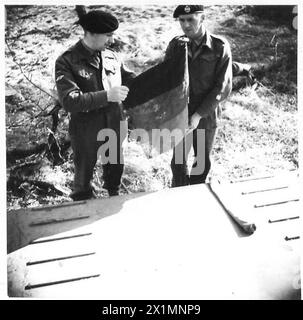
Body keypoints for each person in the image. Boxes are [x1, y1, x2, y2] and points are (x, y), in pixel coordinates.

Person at [55, 10, 135, 200]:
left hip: (115, 125)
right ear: (90, 33)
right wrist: (107, 95)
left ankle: (112, 203)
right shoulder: (67, 61)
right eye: (108, 35)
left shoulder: (111, 56)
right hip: (86, 130)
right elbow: (70, 101)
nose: (112, 40)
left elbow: (129, 79)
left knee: (115, 176)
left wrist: (157, 78)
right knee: (83, 183)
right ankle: (81, 214)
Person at [165, 5, 233, 187]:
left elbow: (222, 87)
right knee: (178, 162)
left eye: (190, 19)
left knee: (201, 162)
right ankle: (178, 193)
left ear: (202, 19)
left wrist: (198, 115)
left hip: (206, 114)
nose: (186, 25)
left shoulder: (219, 47)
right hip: (181, 114)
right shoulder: (176, 45)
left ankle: (196, 194)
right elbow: (167, 77)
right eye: (181, 20)